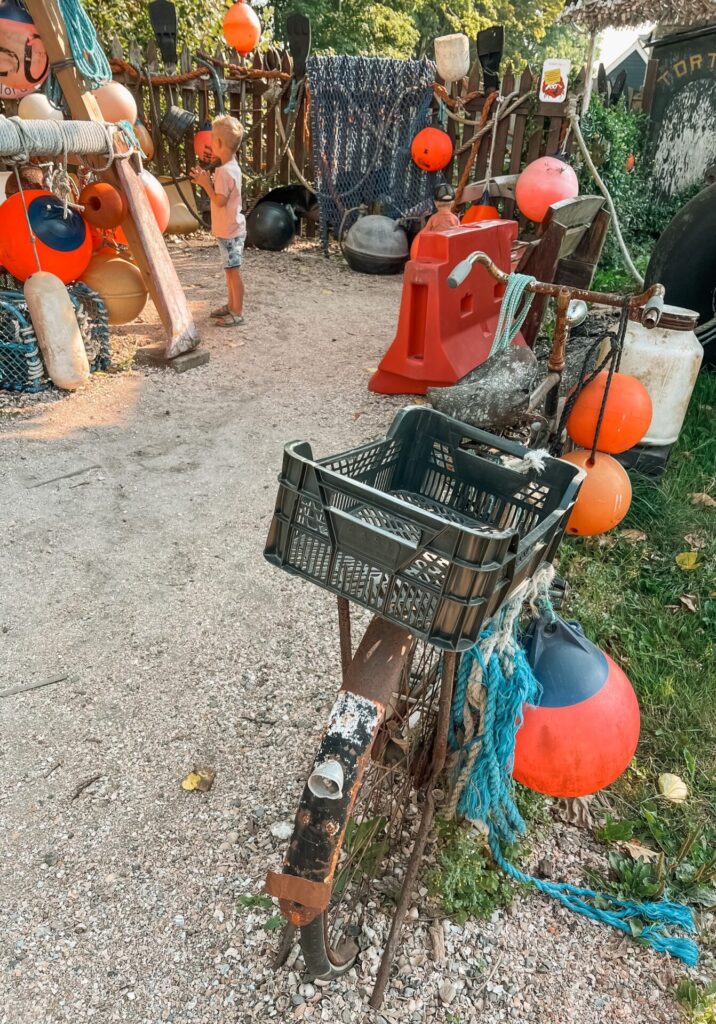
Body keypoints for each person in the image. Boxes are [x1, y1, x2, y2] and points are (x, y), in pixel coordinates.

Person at [190, 115, 246, 327]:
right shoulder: (229, 165)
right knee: (230, 271)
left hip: (230, 231)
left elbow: (219, 200)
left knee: (233, 272)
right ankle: (231, 306)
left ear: (219, 143)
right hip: (230, 229)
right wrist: (206, 177)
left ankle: (237, 312)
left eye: (213, 138)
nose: (210, 142)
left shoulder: (224, 171)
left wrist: (205, 183)